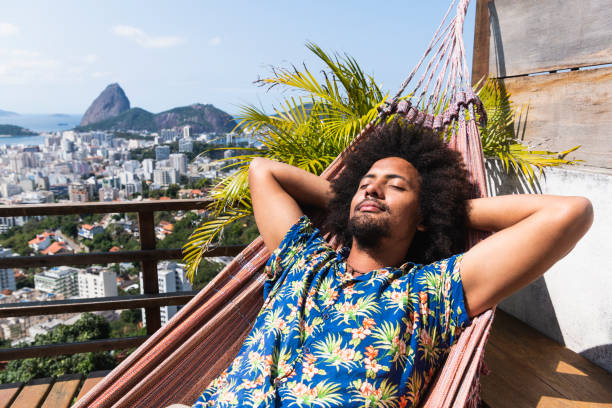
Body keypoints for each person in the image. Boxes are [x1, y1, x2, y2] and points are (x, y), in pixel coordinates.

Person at [191, 121, 593, 407]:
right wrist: (356, 196)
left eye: (396, 185)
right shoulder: (303, 258)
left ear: (422, 216)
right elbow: (263, 171)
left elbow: (570, 213)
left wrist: (442, 209)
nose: (373, 186)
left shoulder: (430, 292)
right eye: (366, 180)